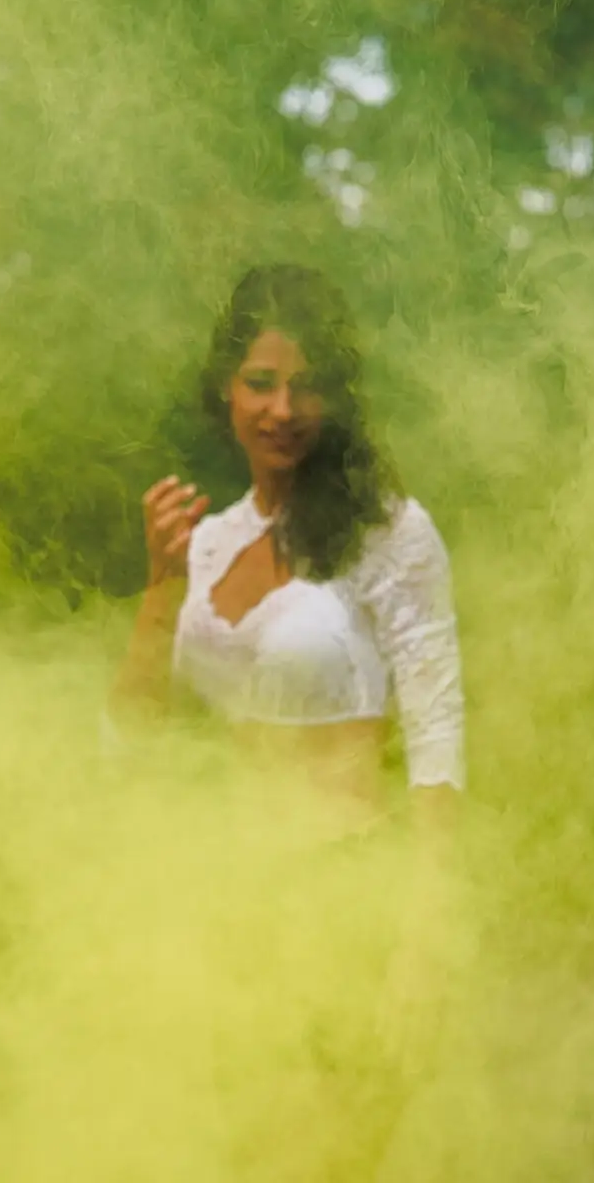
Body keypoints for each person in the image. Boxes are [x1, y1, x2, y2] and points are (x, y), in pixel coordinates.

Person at [107, 262, 465, 831]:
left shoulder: (388, 531)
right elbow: (132, 742)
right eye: (261, 383)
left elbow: (436, 733)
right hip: (214, 866)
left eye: (308, 387)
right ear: (225, 385)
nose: (283, 410)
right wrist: (161, 589)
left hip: (348, 862)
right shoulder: (206, 544)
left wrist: (433, 878)